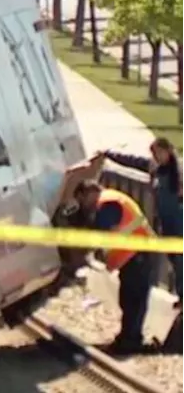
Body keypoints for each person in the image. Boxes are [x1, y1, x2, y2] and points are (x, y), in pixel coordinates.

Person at [71, 175, 156, 355]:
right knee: (129, 298)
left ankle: (131, 340)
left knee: (134, 299)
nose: (83, 206)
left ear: (89, 193)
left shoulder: (107, 203)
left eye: (82, 200)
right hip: (133, 256)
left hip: (137, 254)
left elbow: (101, 229)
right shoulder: (109, 201)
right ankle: (128, 337)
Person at [100, 138, 184, 302]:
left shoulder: (179, 171)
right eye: (153, 153)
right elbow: (133, 162)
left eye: (159, 152)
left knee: (181, 262)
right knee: (174, 261)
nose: (156, 156)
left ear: (168, 151)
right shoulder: (155, 168)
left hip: (180, 221)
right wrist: (109, 154)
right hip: (166, 223)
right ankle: (181, 295)